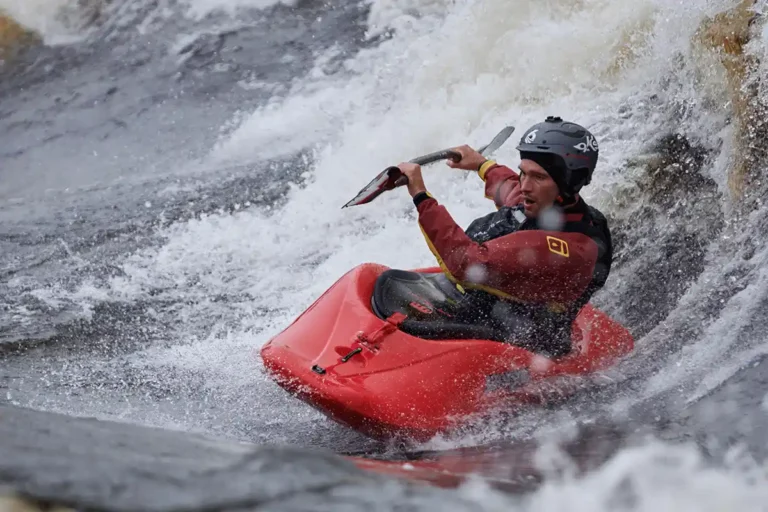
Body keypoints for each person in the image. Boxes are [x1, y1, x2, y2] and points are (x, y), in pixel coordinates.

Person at [393, 116, 613, 358]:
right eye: (524, 173)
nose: (526, 185)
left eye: (538, 177)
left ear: (568, 183)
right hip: (491, 310)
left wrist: (421, 197)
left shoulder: (566, 248)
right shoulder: (551, 206)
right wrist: (482, 165)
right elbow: (512, 191)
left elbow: (466, 262)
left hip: (522, 345)